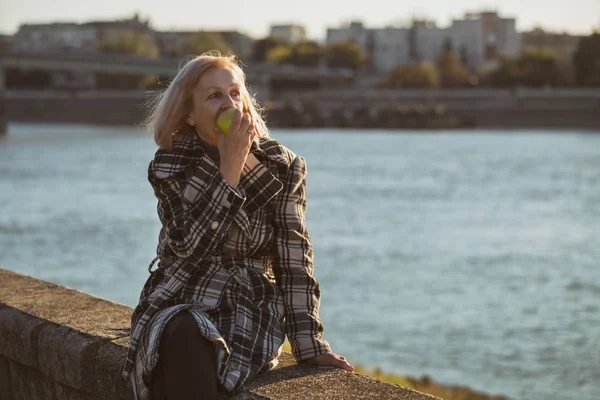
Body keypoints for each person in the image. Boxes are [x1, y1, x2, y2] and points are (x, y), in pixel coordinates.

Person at [122, 52, 354, 400]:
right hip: (181, 294)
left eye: (235, 93)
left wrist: (308, 344)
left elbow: (293, 257)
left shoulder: (283, 165)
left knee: (197, 362)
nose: (228, 103)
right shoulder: (169, 166)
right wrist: (229, 168)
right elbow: (189, 250)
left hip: (248, 305)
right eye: (213, 96)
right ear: (189, 113)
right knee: (187, 332)